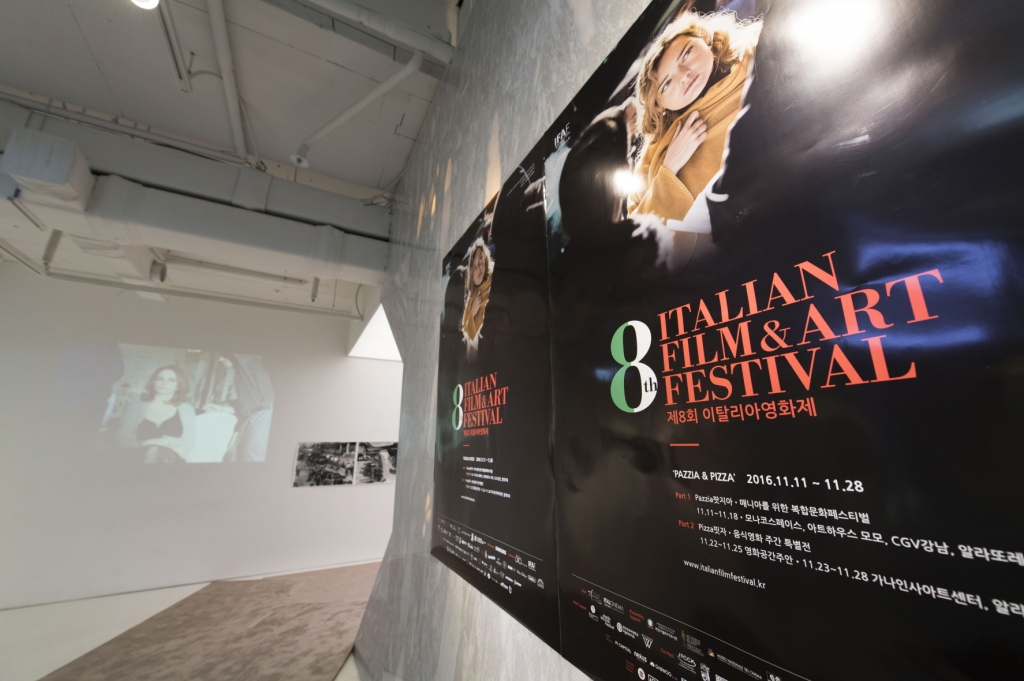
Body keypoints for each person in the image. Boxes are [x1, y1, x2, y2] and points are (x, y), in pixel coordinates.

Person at [629, 11, 761, 227]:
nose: (683, 76)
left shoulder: (757, 50)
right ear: (660, 105)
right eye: (666, 84)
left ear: (703, 36)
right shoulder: (653, 160)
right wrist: (669, 168)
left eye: (686, 54)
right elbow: (636, 235)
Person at [115, 365, 196, 463]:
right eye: (159, 379)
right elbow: (121, 441)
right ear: (153, 382)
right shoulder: (134, 407)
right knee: (153, 451)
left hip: (171, 460)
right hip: (136, 458)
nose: (164, 383)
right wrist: (152, 443)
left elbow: (189, 442)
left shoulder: (186, 409)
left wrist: (162, 441)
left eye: (171, 380)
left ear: (178, 385)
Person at [461, 238, 493, 358]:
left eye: (480, 258)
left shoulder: (494, 279)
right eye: (474, 267)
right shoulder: (471, 299)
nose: (479, 267)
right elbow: (466, 336)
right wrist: (472, 314)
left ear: (485, 259)